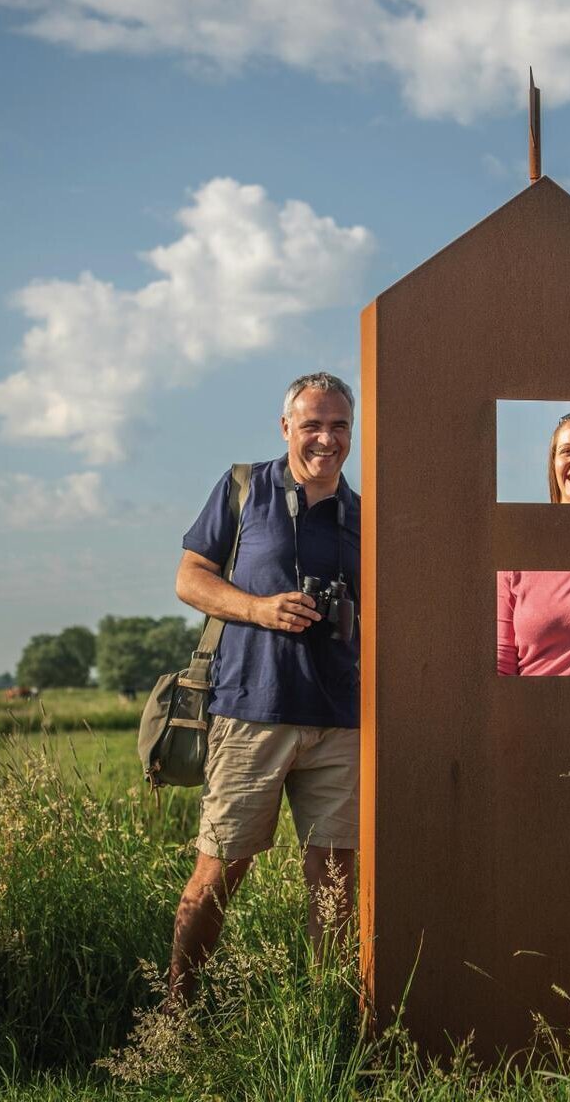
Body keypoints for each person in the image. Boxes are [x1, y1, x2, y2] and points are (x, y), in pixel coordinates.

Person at [168, 372, 361, 1005]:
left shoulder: (364, 514)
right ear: (286, 428)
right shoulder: (244, 488)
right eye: (313, 425)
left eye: (338, 426)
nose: (326, 439)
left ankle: (324, 1022)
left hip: (342, 719)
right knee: (218, 873)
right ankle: (177, 1016)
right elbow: (190, 580)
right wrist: (260, 609)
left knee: (334, 882)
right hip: (253, 709)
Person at [497, 411, 570, 677]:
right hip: (528, 714)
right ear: (553, 465)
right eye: (567, 451)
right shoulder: (516, 553)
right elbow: (501, 660)